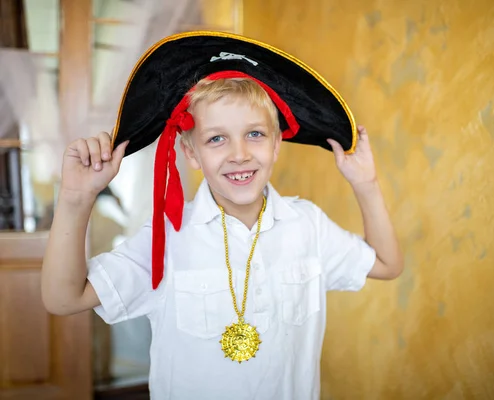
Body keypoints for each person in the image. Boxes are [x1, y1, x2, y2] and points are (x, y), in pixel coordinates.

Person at [41, 31, 402, 399]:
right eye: (216, 138)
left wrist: (366, 184)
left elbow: (388, 264)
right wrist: (75, 198)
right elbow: (63, 299)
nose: (240, 154)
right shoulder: (166, 238)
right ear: (191, 154)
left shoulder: (308, 225)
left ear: (277, 144)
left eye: (255, 134)